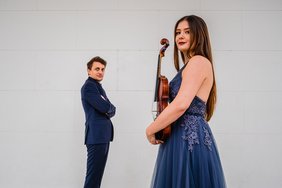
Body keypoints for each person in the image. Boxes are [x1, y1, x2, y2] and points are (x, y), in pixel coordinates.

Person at [146, 15, 226, 188]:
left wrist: (151, 129)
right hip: (180, 136)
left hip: (187, 139)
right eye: (178, 32)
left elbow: (181, 104)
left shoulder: (198, 61)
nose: (180, 36)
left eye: (187, 32)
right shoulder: (191, 64)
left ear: (199, 35)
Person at [81, 56, 116, 188]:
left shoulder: (97, 87)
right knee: (93, 178)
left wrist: (109, 108)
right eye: (97, 69)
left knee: (96, 178)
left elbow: (111, 109)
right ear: (89, 71)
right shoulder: (89, 87)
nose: (100, 71)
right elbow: (106, 107)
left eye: (102, 69)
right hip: (96, 137)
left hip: (102, 137)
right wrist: (109, 107)